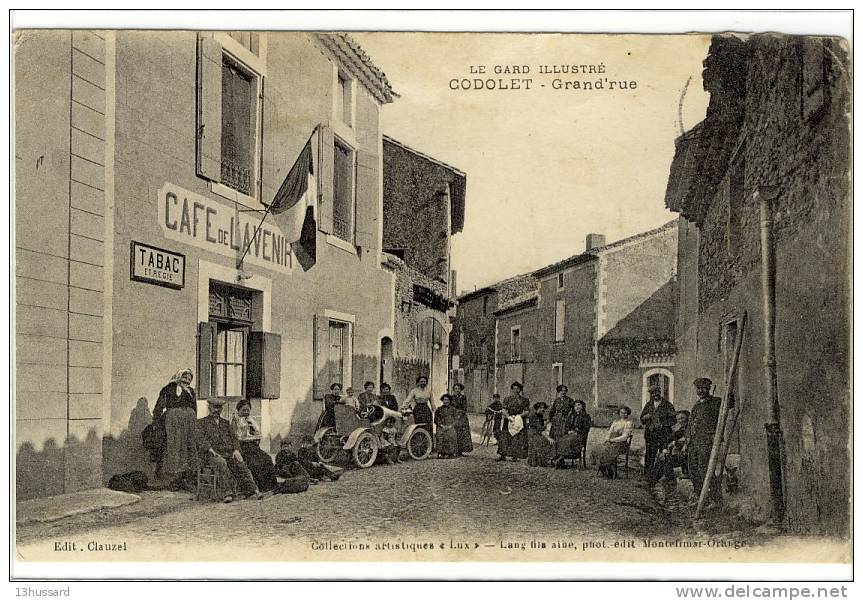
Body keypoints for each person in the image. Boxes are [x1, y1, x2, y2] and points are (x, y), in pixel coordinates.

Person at [196, 398, 261, 502]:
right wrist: (210, 449)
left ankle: (252, 490)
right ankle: (227, 493)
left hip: (227, 453)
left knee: (240, 462)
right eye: (214, 408)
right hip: (210, 455)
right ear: (209, 408)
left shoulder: (226, 423)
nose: (217, 410)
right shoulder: (201, 423)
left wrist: (236, 450)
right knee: (221, 463)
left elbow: (234, 438)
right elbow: (200, 439)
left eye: (219, 408)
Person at [152, 369, 198, 492]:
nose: (187, 381)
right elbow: (159, 407)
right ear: (179, 377)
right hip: (174, 422)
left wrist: (194, 421)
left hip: (189, 423)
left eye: (189, 379)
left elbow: (194, 407)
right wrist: (156, 423)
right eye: (184, 378)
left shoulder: (191, 391)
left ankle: (185, 479)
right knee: (174, 447)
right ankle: (172, 480)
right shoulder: (168, 389)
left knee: (188, 447)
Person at [686, 377, 727, 507]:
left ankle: (716, 499)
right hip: (694, 442)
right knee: (693, 470)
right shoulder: (697, 405)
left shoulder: (715, 402)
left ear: (709, 389)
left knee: (705, 470)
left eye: (704, 388)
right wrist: (688, 440)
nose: (701, 391)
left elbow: (729, 404)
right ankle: (701, 497)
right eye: (698, 388)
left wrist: (728, 392)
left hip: (707, 441)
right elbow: (690, 424)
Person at [231, 399, 276, 493]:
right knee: (254, 463)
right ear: (238, 410)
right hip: (242, 448)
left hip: (253, 447)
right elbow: (235, 436)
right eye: (243, 410)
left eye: (248, 410)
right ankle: (260, 487)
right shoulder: (235, 421)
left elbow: (257, 433)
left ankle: (271, 486)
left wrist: (255, 436)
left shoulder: (251, 420)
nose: (246, 412)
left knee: (267, 458)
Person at [639, 385, 677, 479]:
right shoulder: (649, 404)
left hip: (663, 434)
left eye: (657, 392)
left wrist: (663, 424)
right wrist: (645, 417)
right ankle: (647, 476)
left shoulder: (667, 405)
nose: (655, 394)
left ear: (660, 392)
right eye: (652, 393)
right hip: (651, 434)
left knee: (664, 454)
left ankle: (667, 476)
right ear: (650, 394)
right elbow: (642, 418)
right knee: (649, 455)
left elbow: (674, 420)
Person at [648, 410, 690, 487]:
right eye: (678, 419)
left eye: (682, 418)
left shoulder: (690, 429)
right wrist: (665, 449)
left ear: (688, 418)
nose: (680, 421)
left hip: (687, 457)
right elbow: (671, 438)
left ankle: (657, 482)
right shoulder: (681, 429)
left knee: (666, 461)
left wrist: (676, 443)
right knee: (662, 458)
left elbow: (688, 444)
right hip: (679, 455)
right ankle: (653, 483)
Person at [597, 406, 634, 478]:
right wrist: (607, 439)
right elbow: (609, 432)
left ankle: (608, 468)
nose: (623, 414)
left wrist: (612, 440)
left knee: (609, 449)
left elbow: (624, 437)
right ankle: (605, 467)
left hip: (622, 444)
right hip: (612, 442)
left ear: (628, 414)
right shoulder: (615, 422)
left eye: (625, 413)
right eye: (621, 413)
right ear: (619, 413)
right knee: (600, 448)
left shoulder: (629, 423)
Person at [554, 399, 592, 469]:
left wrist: (577, 432)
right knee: (561, 440)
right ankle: (561, 458)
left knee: (570, 440)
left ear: (582, 406)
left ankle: (562, 457)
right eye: (575, 405)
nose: (577, 407)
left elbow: (586, 429)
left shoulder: (586, 416)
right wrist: (568, 431)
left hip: (580, 436)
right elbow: (566, 426)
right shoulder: (571, 416)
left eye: (579, 405)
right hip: (570, 434)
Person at [499, 381, 530, 462]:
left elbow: (526, 411)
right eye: (514, 388)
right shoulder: (507, 399)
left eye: (518, 389)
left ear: (520, 390)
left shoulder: (524, 400)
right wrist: (508, 416)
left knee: (517, 438)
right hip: (509, 420)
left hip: (519, 420)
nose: (516, 390)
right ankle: (503, 455)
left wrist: (519, 416)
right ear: (512, 389)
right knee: (505, 437)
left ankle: (515, 455)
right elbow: (504, 409)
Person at [527, 402, 554, 467]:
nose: (542, 410)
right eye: (540, 408)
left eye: (543, 408)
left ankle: (541, 462)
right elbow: (540, 429)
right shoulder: (533, 415)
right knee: (545, 442)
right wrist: (548, 438)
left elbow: (541, 428)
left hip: (536, 432)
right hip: (533, 433)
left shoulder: (539, 415)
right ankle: (540, 462)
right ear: (537, 408)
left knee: (544, 441)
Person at [450, 383, 473, 456]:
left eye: (458, 389)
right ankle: (453, 450)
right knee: (454, 433)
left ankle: (460, 451)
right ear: (454, 390)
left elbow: (464, 407)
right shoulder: (451, 397)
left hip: (462, 417)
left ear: (461, 390)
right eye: (456, 389)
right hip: (453, 417)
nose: (457, 390)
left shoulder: (463, 397)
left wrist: (459, 414)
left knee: (462, 434)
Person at [433, 393, 459, 458]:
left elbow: (456, 419)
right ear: (442, 401)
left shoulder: (453, 409)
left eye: (447, 400)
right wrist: (441, 425)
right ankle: (440, 452)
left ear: (450, 401)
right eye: (444, 400)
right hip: (441, 427)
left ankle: (449, 453)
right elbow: (435, 420)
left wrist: (450, 426)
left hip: (450, 426)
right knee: (440, 435)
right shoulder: (439, 409)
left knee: (451, 434)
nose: (446, 401)